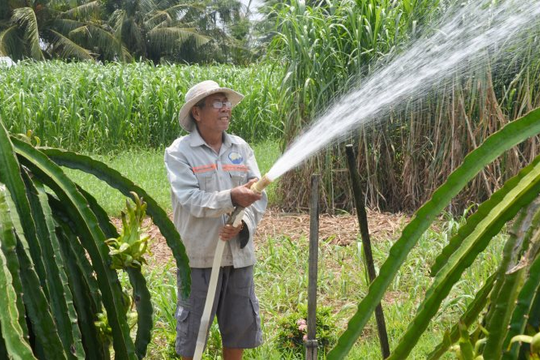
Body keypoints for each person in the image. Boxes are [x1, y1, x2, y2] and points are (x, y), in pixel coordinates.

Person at [164, 80, 267, 360]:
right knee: (192, 336)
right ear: (197, 113)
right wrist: (232, 197)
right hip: (200, 258)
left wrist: (242, 225)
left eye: (227, 103)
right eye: (217, 103)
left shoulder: (241, 148)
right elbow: (190, 199)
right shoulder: (179, 152)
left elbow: (259, 195)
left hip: (238, 257)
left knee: (237, 331)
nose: (226, 109)